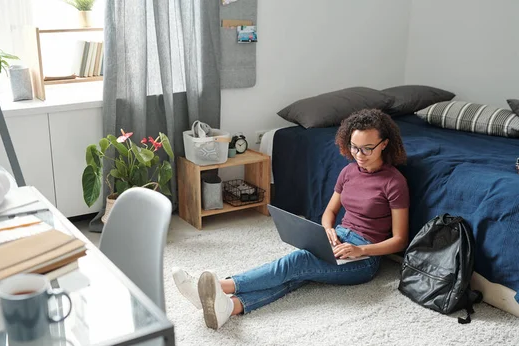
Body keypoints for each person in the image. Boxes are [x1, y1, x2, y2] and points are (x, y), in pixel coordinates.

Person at [172, 109, 410, 330]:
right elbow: (329, 213)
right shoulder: (348, 171)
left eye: (367, 148)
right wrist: (328, 230)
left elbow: (400, 240)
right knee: (297, 273)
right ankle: (231, 307)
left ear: (384, 144)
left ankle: (219, 286)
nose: (359, 155)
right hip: (337, 240)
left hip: (365, 259)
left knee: (296, 263)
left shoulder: (394, 181)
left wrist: (360, 250)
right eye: (354, 147)